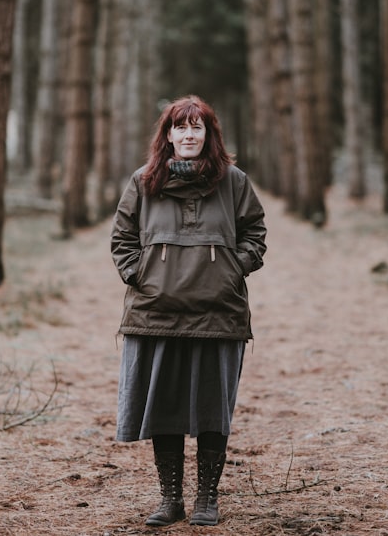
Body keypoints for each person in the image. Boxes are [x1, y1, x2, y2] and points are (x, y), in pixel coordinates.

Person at [110, 95, 267, 527]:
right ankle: (171, 499)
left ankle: (207, 499)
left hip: (218, 313)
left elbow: (255, 231)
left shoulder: (233, 181)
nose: (188, 135)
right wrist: (139, 274)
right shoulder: (143, 181)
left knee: (213, 408)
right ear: (168, 135)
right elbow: (122, 238)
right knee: (165, 405)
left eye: (197, 127)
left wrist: (234, 269)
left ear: (209, 134)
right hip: (155, 313)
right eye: (180, 127)